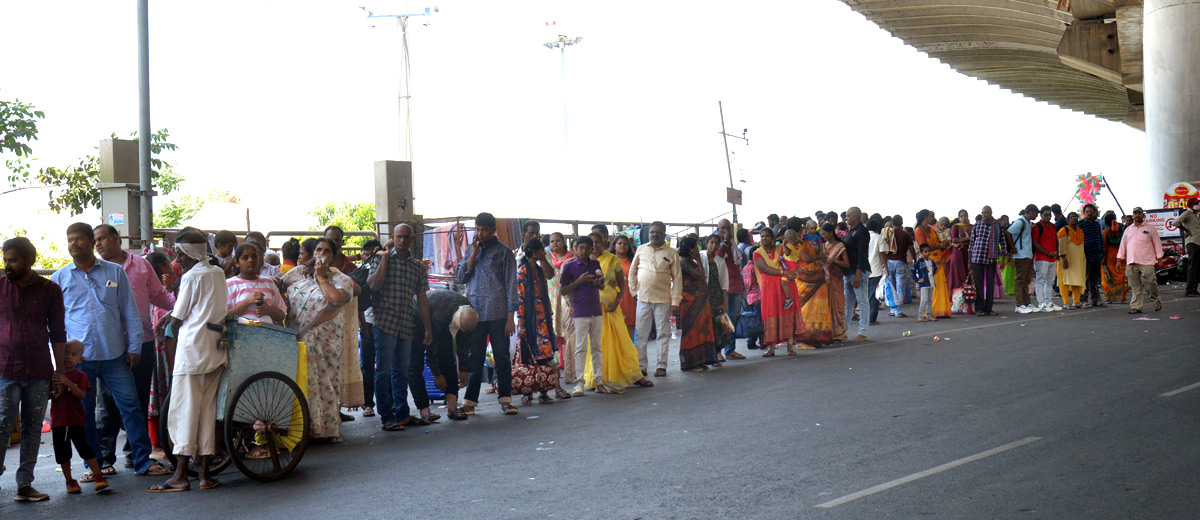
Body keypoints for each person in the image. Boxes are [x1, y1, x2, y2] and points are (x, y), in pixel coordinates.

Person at [50, 223, 169, 480]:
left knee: (131, 407)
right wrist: (59, 362)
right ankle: (95, 466)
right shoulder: (59, 278)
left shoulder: (115, 272)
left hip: (115, 354)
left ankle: (142, 462)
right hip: (78, 361)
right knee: (84, 414)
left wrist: (135, 347)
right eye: (69, 239)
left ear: (91, 242)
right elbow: (55, 324)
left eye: (79, 239)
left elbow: (129, 311)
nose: (73, 244)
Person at [147, 229, 228, 492]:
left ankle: (181, 475)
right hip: (214, 349)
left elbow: (180, 316)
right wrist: (168, 316)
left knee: (183, 411)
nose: (177, 258)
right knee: (205, 412)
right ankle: (203, 475)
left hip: (192, 350)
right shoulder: (217, 273)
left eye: (180, 253)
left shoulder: (192, 277)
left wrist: (164, 321)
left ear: (190, 252)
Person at [92, 224, 175, 475]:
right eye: (95, 240)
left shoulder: (141, 265)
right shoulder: (94, 270)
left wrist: (181, 309)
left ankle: (134, 454)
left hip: (141, 342)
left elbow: (159, 296)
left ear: (117, 239)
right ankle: (105, 459)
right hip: (110, 345)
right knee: (106, 404)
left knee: (138, 400)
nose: (98, 244)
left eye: (102, 238)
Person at [0, 237, 67, 502]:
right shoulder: (0, 288)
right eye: (5, 259)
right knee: (2, 426)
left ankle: (24, 485)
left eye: (13, 260)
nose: (7, 265)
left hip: (40, 372)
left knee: (32, 428)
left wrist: (59, 372)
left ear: (29, 261)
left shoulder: (50, 290)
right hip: (5, 370)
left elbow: (58, 333)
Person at [282, 238, 356, 440]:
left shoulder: (340, 279)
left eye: (326, 251)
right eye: (318, 250)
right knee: (302, 382)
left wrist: (322, 277)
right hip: (299, 339)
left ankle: (326, 430)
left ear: (333, 256)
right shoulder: (298, 275)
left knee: (325, 382)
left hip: (326, 341)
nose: (321, 254)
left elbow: (336, 299)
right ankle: (303, 429)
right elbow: (279, 285)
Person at [366, 224, 432, 430]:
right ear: (393, 238)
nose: (403, 240)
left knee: (401, 371)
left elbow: (422, 300)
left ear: (411, 239)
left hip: (406, 323)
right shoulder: (380, 258)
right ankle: (387, 417)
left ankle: (403, 413)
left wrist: (428, 328)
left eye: (406, 237)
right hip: (384, 322)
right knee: (383, 371)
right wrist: (385, 259)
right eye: (399, 237)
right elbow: (373, 285)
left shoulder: (418, 267)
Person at [457, 212, 520, 415]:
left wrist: (511, 317)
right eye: (477, 229)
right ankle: (470, 402)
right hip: (475, 313)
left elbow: (511, 285)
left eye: (484, 230)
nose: (480, 233)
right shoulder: (470, 250)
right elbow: (461, 277)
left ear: (493, 230)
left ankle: (506, 400)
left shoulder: (504, 253)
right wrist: (474, 254)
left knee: (501, 357)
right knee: (475, 356)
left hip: (499, 313)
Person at [589, 231, 653, 390]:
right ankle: (598, 378)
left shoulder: (612, 259)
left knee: (623, 341)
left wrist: (617, 301)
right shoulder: (584, 262)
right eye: (592, 242)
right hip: (593, 309)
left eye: (598, 241)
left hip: (611, 308)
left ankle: (635, 375)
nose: (595, 245)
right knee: (598, 344)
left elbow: (621, 284)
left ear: (604, 242)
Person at [50, 339, 109, 495]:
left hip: (76, 420)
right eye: (65, 353)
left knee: (85, 448)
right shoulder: (54, 375)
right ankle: (70, 481)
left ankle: (98, 476)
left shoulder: (80, 376)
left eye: (74, 354)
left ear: (80, 360)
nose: (68, 357)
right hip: (58, 421)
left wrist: (68, 383)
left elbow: (82, 395)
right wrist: (56, 391)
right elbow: (50, 395)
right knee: (62, 453)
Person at [411, 290, 475, 421]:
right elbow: (431, 348)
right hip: (417, 317)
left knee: (447, 357)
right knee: (415, 364)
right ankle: (424, 410)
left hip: (443, 316)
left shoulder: (469, 313)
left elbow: (464, 344)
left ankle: (452, 408)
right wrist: (436, 374)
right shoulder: (440, 315)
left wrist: (463, 369)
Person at [629, 221, 682, 377]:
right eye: (652, 232)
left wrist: (675, 302)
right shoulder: (641, 249)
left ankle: (661, 366)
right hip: (643, 298)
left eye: (658, 232)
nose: (655, 235)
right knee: (641, 334)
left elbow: (677, 279)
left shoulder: (672, 253)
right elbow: (632, 272)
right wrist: (634, 292)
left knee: (662, 334)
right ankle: (641, 366)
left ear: (664, 234)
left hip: (663, 300)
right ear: (649, 233)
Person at [559, 236, 606, 396]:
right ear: (575, 249)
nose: (584, 251)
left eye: (588, 248)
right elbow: (563, 290)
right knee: (580, 348)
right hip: (580, 311)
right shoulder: (570, 266)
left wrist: (596, 284)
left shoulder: (595, 264)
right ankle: (579, 383)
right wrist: (579, 281)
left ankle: (599, 381)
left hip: (596, 310)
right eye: (581, 248)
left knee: (596, 348)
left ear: (592, 249)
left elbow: (602, 284)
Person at [515, 239, 557, 405]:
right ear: (534, 252)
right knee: (529, 356)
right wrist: (522, 323)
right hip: (529, 319)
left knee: (544, 355)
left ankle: (543, 390)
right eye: (541, 251)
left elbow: (551, 274)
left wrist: (544, 259)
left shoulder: (539, 270)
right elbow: (520, 298)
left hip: (542, 319)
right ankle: (527, 392)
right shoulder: (522, 271)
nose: (544, 253)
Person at [751, 228, 798, 356]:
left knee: (787, 313)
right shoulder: (757, 253)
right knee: (770, 315)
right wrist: (784, 272)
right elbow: (765, 269)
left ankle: (790, 347)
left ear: (772, 238)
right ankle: (771, 348)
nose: (764, 239)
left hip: (785, 287)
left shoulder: (780, 249)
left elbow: (790, 256)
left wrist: (786, 246)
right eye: (762, 236)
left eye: (767, 236)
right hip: (769, 288)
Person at [676, 237, 718, 371]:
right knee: (692, 331)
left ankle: (701, 360)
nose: (698, 250)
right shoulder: (684, 262)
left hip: (699, 300)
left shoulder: (690, 261)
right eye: (696, 247)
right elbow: (701, 276)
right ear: (690, 249)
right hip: (691, 301)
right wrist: (699, 259)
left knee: (701, 329)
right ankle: (691, 363)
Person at [791, 225, 834, 348]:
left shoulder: (804, 242)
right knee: (807, 310)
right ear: (800, 230)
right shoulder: (798, 245)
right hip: (806, 280)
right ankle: (805, 338)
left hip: (813, 280)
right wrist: (818, 256)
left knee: (813, 310)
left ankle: (814, 337)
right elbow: (807, 258)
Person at [225, 243, 286, 324]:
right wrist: (247, 302)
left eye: (254, 257)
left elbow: (282, 315)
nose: (250, 260)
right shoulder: (230, 285)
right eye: (245, 258)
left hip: (266, 334)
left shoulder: (268, 282)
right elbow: (224, 317)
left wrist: (269, 310)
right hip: (239, 334)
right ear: (237, 263)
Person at [1118, 207, 1164, 314]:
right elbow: (1123, 246)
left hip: (1147, 261)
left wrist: (1160, 259)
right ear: (1133, 215)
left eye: (1139, 213)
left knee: (1150, 282)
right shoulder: (1128, 229)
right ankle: (1136, 306)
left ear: (1143, 215)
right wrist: (1119, 259)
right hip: (1131, 261)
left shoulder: (1150, 228)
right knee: (1135, 285)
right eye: (1135, 213)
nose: (1137, 215)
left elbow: (1157, 244)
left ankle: (1156, 300)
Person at [546, 232, 574, 399]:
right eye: (552, 241)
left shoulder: (571, 257)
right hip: (551, 296)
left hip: (566, 296)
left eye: (558, 240)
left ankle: (567, 360)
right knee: (555, 328)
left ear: (564, 242)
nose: (555, 243)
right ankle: (560, 359)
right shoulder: (547, 257)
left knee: (567, 328)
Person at [715, 219, 745, 360]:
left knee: (731, 320)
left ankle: (730, 350)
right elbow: (716, 258)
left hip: (736, 285)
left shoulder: (734, 244)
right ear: (718, 229)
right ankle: (718, 351)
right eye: (722, 229)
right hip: (723, 288)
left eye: (728, 228)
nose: (726, 231)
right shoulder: (715, 242)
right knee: (721, 319)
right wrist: (725, 243)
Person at [913, 210, 953, 319]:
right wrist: (940, 245)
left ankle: (940, 310)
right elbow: (923, 247)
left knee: (938, 286)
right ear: (926, 217)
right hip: (927, 261)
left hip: (937, 259)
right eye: (931, 216)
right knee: (929, 288)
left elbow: (936, 243)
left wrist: (944, 245)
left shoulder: (931, 229)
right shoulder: (918, 230)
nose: (933, 219)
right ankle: (930, 312)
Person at [969, 206, 1005, 316]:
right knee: (978, 284)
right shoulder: (977, 224)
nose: (984, 215)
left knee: (990, 284)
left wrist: (1003, 258)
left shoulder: (997, 225)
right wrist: (969, 262)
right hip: (977, 257)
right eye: (982, 213)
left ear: (991, 213)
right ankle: (979, 308)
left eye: (986, 213)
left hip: (992, 258)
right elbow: (971, 243)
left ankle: (989, 308)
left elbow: (1002, 241)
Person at [842, 207, 870, 342]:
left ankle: (863, 332)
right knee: (848, 303)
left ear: (855, 217)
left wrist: (858, 274)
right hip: (848, 272)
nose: (846, 218)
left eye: (848, 216)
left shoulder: (862, 232)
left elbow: (862, 254)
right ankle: (844, 331)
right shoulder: (851, 232)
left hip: (858, 271)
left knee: (862, 301)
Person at [700, 235, 729, 362]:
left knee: (717, 324)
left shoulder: (720, 261)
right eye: (711, 242)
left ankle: (717, 352)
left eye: (717, 243)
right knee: (706, 325)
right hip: (703, 297)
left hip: (716, 296)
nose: (714, 245)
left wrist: (724, 301)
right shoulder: (700, 258)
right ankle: (706, 353)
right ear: (706, 243)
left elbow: (724, 283)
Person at [1008, 205, 1039, 313]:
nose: (1036, 215)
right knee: (1020, 280)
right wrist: (1012, 247)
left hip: (1028, 254)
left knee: (1026, 280)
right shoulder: (1019, 223)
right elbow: (1008, 232)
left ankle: (1027, 302)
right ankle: (1019, 304)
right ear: (1030, 212)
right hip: (1021, 255)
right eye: (1035, 213)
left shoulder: (1029, 223)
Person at [882, 216, 915, 319]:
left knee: (891, 286)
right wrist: (915, 259)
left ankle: (893, 309)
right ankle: (899, 311)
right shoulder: (905, 235)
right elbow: (911, 249)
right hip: (901, 261)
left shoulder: (887, 233)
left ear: (892, 223)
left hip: (888, 261)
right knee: (900, 286)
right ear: (902, 223)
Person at [1032, 207, 1063, 312]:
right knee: (1041, 280)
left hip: (1052, 258)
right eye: (1046, 215)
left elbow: (1056, 239)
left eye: (1050, 215)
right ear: (1041, 215)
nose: (1048, 217)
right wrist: (1048, 253)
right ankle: (1041, 303)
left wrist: (1056, 251)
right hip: (1041, 258)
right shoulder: (1037, 227)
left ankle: (1049, 301)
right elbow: (1035, 243)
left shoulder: (1053, 226)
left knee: (1050, 281)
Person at [1057, 212, 1088, 309]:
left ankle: (1076, 301)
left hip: (1078, 260)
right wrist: (1064, 259)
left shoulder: (1080, 231)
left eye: (1076, 217)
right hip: (1067, 259)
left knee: (1077, 279)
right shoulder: (1063, 230)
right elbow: (1061, 247)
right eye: (1071, 217)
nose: (1074, 218)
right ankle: (1066, 302)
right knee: (1065, 280)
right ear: (1068, 219)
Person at [611, 234, 639, 342]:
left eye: (625, 244)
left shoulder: (634, 261)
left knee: (629, 329)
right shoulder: (609, 260)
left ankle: (629, 357)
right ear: (614, 246)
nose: (622, 245)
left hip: (629, 298)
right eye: (619, 243)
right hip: (613, 298)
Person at [1171, 197, 1200, 297]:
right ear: (1191, 205)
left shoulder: (1196, 215)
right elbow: (1175, 222)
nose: (1198, 205)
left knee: (1196, 267)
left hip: (1198, 242)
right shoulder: (1187, 213)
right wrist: (1186, 230)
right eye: (1196, 203)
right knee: (1193, 266)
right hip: (1192, 242)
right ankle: (1189, 290)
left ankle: (1194, 289)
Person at [1079, 204, 1105, 308]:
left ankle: (1095, 300)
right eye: (1087, 212)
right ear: (1084, 213)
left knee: (1095, 279)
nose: (1089, 213)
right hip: (1086, 255)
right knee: (1085, 278)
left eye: (1091, 211)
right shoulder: (1081, 224)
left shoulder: (1096, 224)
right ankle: (1083, 300)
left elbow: (1100, 238)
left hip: (1097, 255)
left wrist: (1101, 252)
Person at [1101, 212, 1129, 304]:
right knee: (1120, 276)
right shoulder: (1123, 230)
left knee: (1108, 277)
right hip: (1121, 256)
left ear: (1106, 223)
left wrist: (1103, 259)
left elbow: (1103, 246)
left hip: (1109, 257)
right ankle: (1121, 298)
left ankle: (1109, 298)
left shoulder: (1105, 232)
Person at [740, 246, 763, 350]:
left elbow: (746, 285)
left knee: (755, 321)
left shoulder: (745, 267)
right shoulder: (754, 267)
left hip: (750, 297)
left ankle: (751, 342)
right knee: (761, 321)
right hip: (757, 297)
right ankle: (763, 343)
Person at [866, 218, 886, 325]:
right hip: (876, 270)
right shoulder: (879, 238)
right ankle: (872, 319)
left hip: (864, 270)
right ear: (877, 227)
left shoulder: (863, 237)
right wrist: (886, 268)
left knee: (865, 296)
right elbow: (882, 254)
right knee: (874, 296)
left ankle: (865, 319)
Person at [947, 209, 972, 292]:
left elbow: (974, 239)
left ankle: (969, 293)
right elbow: (954, 239)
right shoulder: (956, 226)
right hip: (959, 253)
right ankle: (958, 293)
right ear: (959, 217)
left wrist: (964, 240)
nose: (964, 217)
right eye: (961, 216)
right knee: (958, 273)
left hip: (969, 252)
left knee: (968, 272)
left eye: (965, 215)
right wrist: (968, 238)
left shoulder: (972, 226)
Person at [912, 244, 937, 322]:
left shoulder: (931, 261)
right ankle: (920, 316)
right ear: (921, 253)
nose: (927, 253)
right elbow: (912, 270)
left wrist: (932, 275)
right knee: (924, 299)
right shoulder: (919, 262)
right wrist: (918, 279)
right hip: (924, 284)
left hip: (931, 282)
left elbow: (935, 268)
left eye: (928, 251)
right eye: (925, 252)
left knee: (930, 300)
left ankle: (929, 315)